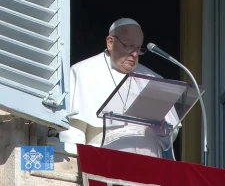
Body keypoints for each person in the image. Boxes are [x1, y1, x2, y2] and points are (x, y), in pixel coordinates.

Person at [59, 18, 180, 159]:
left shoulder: (154, 80)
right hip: (104, 162)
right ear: (110, 43)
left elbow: (172, 133)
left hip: (149, 165)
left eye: (138, 48)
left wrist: (163, 132)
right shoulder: (83, 71)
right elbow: (74, 131)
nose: (134, 54)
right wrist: (75, 164)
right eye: (128, 46)